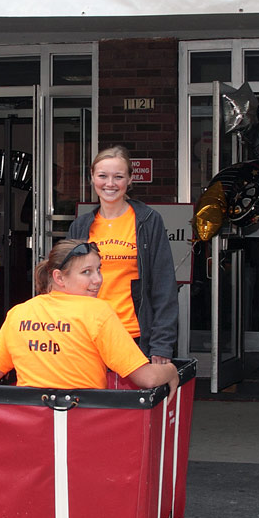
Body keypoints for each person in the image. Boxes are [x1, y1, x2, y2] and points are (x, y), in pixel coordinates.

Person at [0, 239, 178, 392]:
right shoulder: (98, 312)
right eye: (86, 272)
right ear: (59, 277)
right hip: (83, 424)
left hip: (32, 424)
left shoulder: (18, 313)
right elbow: (147, 379)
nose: (98, 279)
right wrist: (171, 371)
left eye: (98, 270)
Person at [66, 145, 179, 367]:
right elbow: (66, 286)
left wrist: (162, 344)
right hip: (88, 334)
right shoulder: (80, 226)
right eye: (102, 176)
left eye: (118, 177)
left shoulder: (148, 221)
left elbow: (164, 285)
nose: (110, 183)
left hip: (133, 334)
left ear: (129, 180)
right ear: (92, 178)